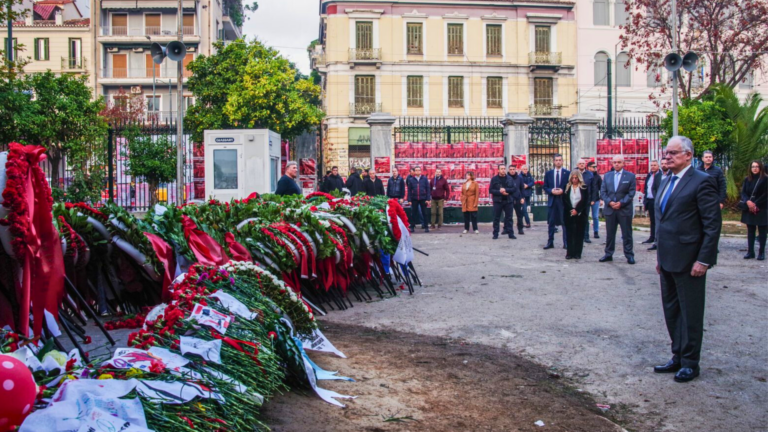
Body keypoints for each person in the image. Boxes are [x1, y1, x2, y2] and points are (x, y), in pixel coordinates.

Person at [653, 136, 721, 383]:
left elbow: (712, 225)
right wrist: (660, 256)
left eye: (673, 153)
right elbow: (662, 222)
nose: (667, 157)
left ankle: (691, 363)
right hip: (668, 259)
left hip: (690, 261)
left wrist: (703, 260)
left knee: (690, 313)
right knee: (671, 311)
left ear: (688, 155)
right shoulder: (664, 180)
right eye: (666, 153)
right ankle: (678, 356)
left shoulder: (702, 182)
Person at [599, 155, 637, 264]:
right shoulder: (607, 176)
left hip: (624, 209)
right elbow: (603, 192)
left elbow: (631, 193)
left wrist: (621, 203)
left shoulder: (630, 176)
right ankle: (608, 253)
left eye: (619, 162)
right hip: (610, 209)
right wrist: (610, 202)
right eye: (615, 162)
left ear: (623, 163)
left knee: (627, 234)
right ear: (612, 163)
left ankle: (629, 255)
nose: (616, 164)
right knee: (610, 233)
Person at [741, 160, 767, 260]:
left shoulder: (765, 179)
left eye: (757, 166)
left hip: (762, 207)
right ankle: (750, 252)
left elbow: (766, 194)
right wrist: (748, 202)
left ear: (760, 168)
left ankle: (761, 252)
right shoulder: (747, 179)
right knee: (750, 230)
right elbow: (743, 192)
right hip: (749, 207)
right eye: (753, 167)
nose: (754, 168)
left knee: (762, 231)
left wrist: (755, 204)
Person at [543, 154, 569, 249]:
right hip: (552, 201)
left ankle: (566, 242)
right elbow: (545, 187)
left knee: (564, 222)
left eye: (560, 160)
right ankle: (550, 242)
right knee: (551, 222)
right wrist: (551, 191)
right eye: (556, 160)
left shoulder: (567, 173)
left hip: (563, 201)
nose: (558, 162)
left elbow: (569, 186)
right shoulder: (549, 173)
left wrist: (563, 190)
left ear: (562, 161)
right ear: (554, 162)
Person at [490, 164, 521, 240]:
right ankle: (495, 234)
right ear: (498, 170)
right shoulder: (494, 179)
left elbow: (514, 189)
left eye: (504, 168)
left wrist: (506, 190)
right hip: (498, 201)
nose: (503, 170)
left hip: (508, 201)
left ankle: (511, 234)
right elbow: (491, 190)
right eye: (501, 169)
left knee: (509, 218)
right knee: (496, 218)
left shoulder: (510, 178)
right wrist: (499, 191)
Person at [564, 171, 589, 260]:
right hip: (569, 214)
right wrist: (571, 209)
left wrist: (577, 210)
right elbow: (565, 200)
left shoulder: (584, 188)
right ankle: (569, 252)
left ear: (579, 178)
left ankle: (578, 253)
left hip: (580, 214)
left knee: (579, 234)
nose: (574, 180)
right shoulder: (567, 187)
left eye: (576, 178)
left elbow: (585, 201)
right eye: (573, 178)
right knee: (569, 234)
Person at [644, 160, 662, 250]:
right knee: (652, 220)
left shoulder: (661, 175)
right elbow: (646, 188)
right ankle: (652, 237)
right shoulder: (649, 175)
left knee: (658, 220)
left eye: (655, 165)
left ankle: (658, 238)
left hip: (657, 200)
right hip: (649, 200)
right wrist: (645, 201)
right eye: (651, 165)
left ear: (658, 166)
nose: (653, 167)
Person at [575, 159, 594, 244]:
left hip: (586, 200)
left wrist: (593, 199)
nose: (582, 165)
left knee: (585, 218)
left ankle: (586, 236)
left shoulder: (590, 174)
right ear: (577, 165)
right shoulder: (573, 173)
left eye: (583, 163)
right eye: (580, 163)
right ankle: (576, 235)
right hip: (575, 199)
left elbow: (593, 188)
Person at [407, 166, 431, 232]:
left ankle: (426, 227)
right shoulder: (411, 179)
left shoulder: (424, 179)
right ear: (414, 172)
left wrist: (428, 199)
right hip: (414, 198)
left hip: (423, 198)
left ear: (421, 171)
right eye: (416, 170)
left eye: (419, 170)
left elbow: (428, 189)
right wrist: (409, 200)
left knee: (424, 213)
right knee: (413, 214)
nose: (417, 171)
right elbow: (409, 190)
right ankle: (412, 227)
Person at [508, 165, 527, 235]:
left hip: (518, 198)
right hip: (509, 198)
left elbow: (522, 188)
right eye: (511, 169)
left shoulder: (519, 178)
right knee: (508, 215)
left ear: (515, 170)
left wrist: (522, 197)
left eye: (513, 169)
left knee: (519, 215)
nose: (512, 171)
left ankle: (520, 228)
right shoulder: (506, 178)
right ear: (509, 170)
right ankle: (507, 229)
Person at [586, 161, 602, 239]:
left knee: (595, 216)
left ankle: (596, 232)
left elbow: (601, 188)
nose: (595, 168)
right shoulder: (585, 176)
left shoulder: (597, 177)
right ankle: (586, 233)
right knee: (586, 217)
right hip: (587, 199)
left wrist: (601, 199)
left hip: (596, 199)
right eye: (593, 167)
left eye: (595, 167)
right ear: (588, 167)